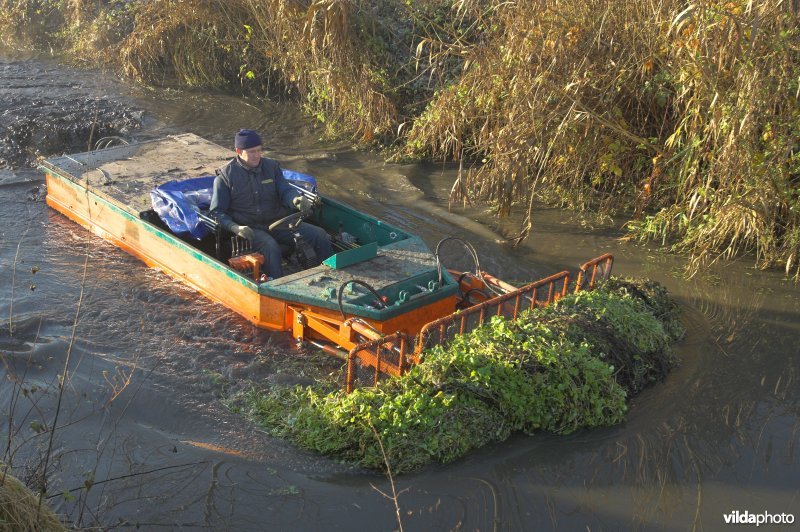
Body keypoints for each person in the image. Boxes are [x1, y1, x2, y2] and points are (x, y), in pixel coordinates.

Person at [210, 129, 333, 279]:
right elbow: (217, 212)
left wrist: (296, 199)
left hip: (279, 223)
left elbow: (285, 189)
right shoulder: (225, 178)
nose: (257, 155)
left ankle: (330, 274)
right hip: (250, 230)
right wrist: (235, 227)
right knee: (270, 247)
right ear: (238, 151)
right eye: (252, 152)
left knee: (319, 235)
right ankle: (276, 285)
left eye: (259, 150)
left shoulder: (272, 167)